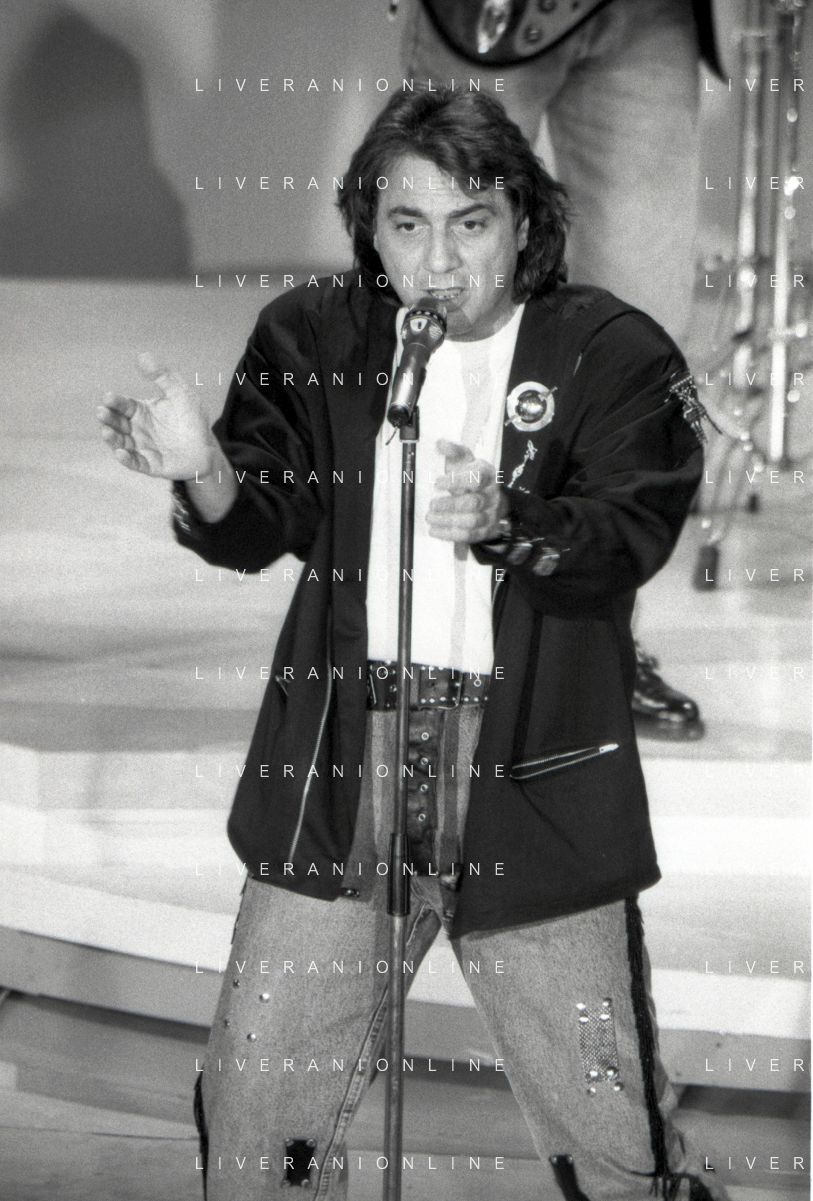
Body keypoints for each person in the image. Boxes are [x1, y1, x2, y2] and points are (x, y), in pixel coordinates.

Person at [98, 90, 728, 1201]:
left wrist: (508, 521)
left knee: (613, 1148)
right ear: (370, 231)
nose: (438, 261)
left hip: (529, 777)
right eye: (407, 225)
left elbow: (628, 533)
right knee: (255, 1131)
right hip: (346, 767)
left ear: (524, 224)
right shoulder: (314, 335)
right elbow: (260, 522)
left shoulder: (612, 353)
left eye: (470, 223)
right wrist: (205, 469)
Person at [397, 0, 724, 739]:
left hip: (649, 14)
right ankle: (429, 648)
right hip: (482, 17)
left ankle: (596, 646)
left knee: (637, 347)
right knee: (445, 307)